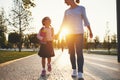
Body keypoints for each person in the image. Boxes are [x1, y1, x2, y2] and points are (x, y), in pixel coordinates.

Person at [57, 0, 93, 80]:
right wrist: (59, 33)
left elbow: (86, 20)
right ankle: (74, 69)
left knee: (79, 52)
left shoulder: (81, 8)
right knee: (71, 52)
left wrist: (90, 31)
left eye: (65, 0)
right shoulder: (66, 11)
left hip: (79, 33)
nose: (65, 2)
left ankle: (80, 72)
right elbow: (63, 23)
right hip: (69, 34)